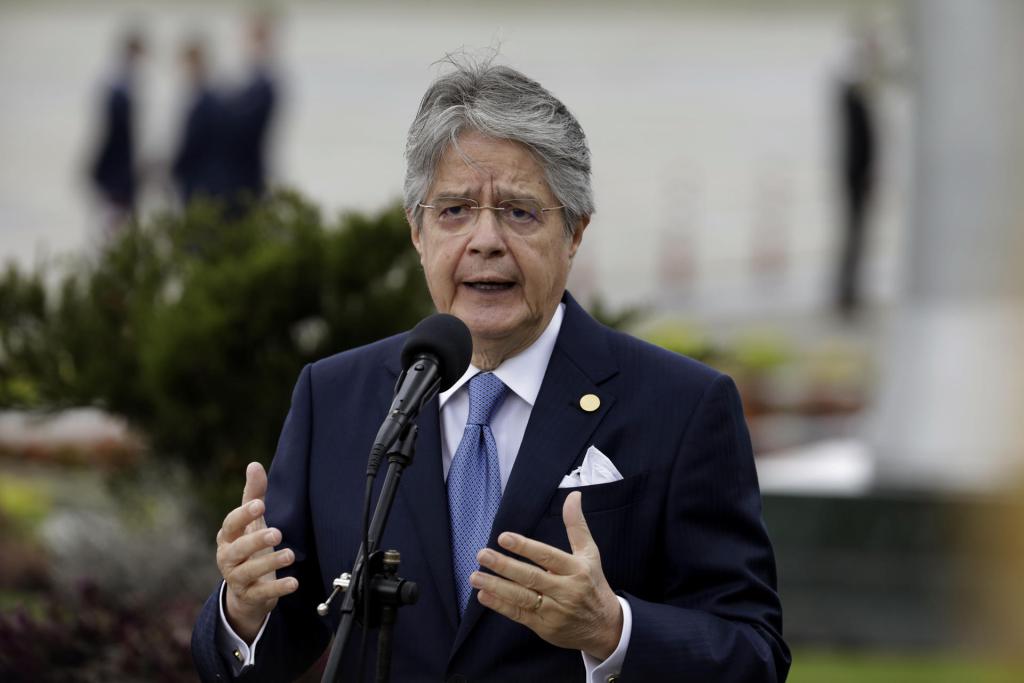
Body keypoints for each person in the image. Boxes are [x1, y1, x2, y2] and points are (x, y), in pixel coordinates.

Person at [191, 57, 790, 682]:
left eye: (519, 212)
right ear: (417, 232)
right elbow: (258, 654)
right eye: (453, 211)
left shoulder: (682, 407)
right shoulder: (336, 398)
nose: (485, 241)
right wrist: (244, 611)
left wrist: (611, 630)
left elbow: (754, 655)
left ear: (575, 233)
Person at [89, 28, 145, 232]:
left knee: (114, 223)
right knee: (113, 224)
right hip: (117, 174)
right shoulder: (120, 91)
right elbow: (113, 136)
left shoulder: (121, 86)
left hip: (118, 172)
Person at [172, 37, 226, 205]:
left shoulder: (208, 101)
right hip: (195, 179)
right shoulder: (198, 98)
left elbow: (196, 144)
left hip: (201, 181)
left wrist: (176, 168)